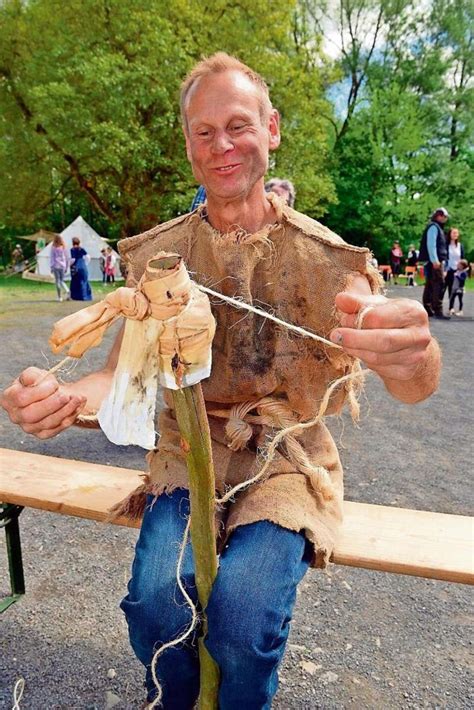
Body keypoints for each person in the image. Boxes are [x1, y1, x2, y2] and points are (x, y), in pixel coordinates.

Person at [1, 53, 440, 709]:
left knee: (243, 616)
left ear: (272, 128)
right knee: (157, 607)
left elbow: (415, 382)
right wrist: (64, 401)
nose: (221, 145)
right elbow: (118, 373)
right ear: (187, 144)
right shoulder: (158, 257)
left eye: (238, 125)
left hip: (285, 461)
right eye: (203, 132)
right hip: (185, 451)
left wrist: (415, 356)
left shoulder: (326, 259)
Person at [419, 207, 450, 319]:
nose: (446, 219)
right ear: (439, 216)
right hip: (435, 261)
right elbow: (431, 244)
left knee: (430, 284)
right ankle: (437, 309)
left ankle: (427, 308)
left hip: (434, 261)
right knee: (439, 284)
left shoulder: (436, 227)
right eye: (445, 217)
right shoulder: (434, 227)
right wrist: (435, 260)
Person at [69, 237, 92, 301]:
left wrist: (69, 265)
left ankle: (76, 296)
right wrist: (85, 263)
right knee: (84, 280)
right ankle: (85, 296)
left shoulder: (72, 249)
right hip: (83, 266)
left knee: (75, 281)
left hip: (76, 266)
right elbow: (88, 257)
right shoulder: (81, 249)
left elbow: (73, 259)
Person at [444, 228, 464, 299]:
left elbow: (462, 258)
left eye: (456, 233)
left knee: (452, 289)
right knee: (442, 288)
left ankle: (451, 307)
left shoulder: (460, 245)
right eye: (453, 233)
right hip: (447, 269)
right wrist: (444, 269)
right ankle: (437, 306)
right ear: (450, 234)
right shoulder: (446, 245)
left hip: (456, 270)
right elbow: (444, 257)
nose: (455, 234)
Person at [49, 235, 70, 302]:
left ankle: (59, 297)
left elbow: (52, 258)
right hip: (62, 266)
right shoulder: (63, 247)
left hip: (56, 266)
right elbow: (67, 258)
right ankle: (67, 290)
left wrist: (51, 267)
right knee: (62, 280)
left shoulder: (53, 248)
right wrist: (67, 266)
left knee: (57, 281)